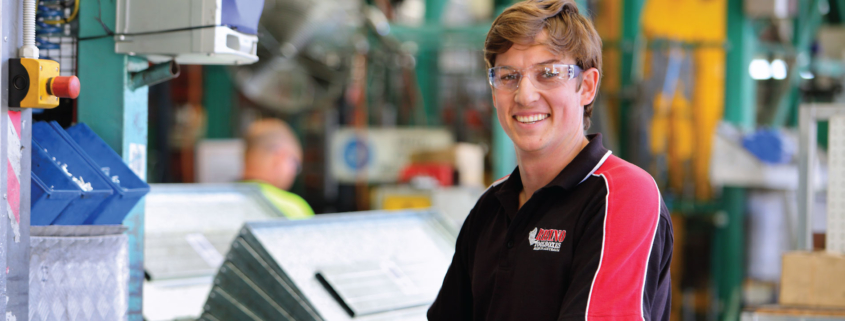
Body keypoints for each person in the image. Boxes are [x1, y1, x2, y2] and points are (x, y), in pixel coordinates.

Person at [427, 0, 673, 320]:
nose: (525, 95)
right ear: (494, 91)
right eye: (508, 76)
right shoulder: (490, 207)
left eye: (548, 73)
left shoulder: (624, 195)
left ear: (586, 86)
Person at [242, 118, 314, 219]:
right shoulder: (294, 208)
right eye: (295, 165)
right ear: (280, 157)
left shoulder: (221, 198)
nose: (294, 173)